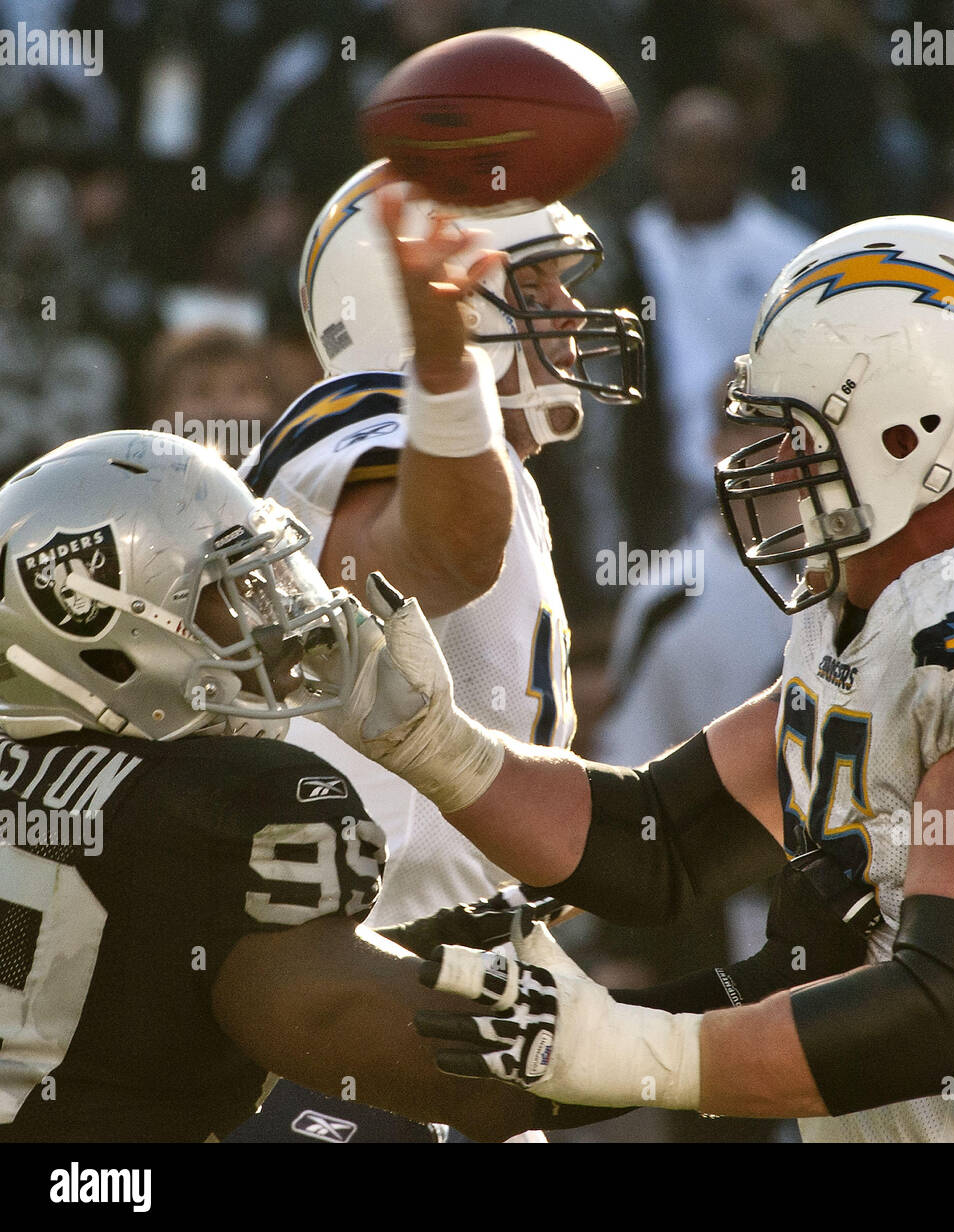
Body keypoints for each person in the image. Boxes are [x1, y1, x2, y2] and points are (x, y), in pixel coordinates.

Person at [311, 216, 954, 1141]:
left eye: (797, 430)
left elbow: (949, 1010)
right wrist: (432, 742)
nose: (767, 461)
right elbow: (657, 842)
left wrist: (612, 1050)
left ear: (913, 430)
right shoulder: (884, 603)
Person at [231, 159, 645, 1140]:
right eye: (534, 286)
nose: (570, 315)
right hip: (353, 994)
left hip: (431, 985)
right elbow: (441, 552)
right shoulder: (370, 429)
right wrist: (449, 375)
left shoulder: (472, 456)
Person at [0, 430, 563, 1142]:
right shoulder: (212, 802)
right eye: (226, 592)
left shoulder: (63, 780)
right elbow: (392, 1037)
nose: (271, 620)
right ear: (94, 619)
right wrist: (666, 1044)